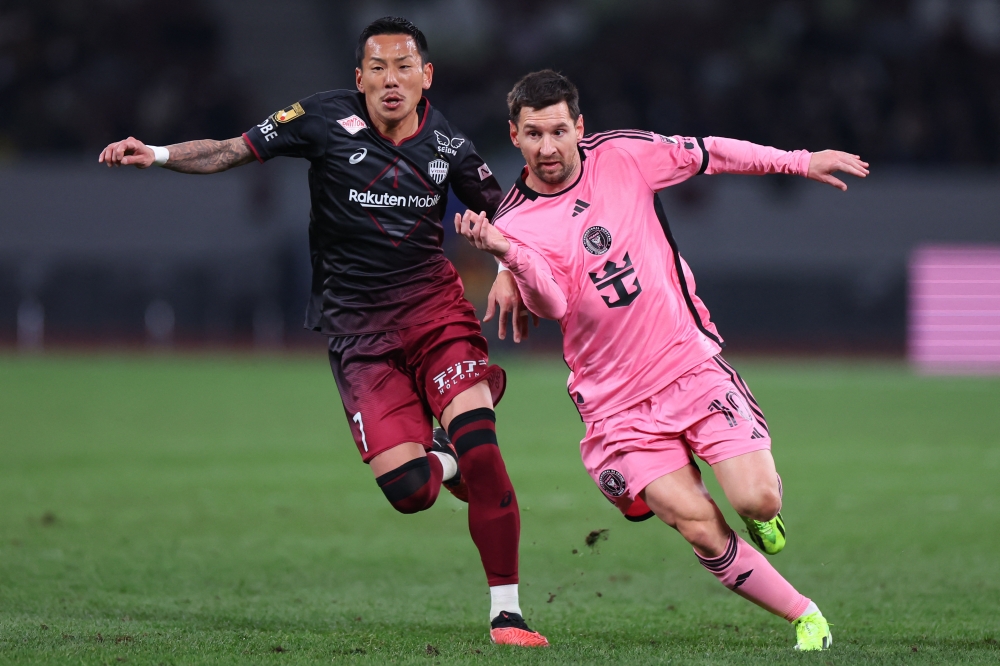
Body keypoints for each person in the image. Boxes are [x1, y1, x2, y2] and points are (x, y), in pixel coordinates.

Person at [98, 17, 548, 648]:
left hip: (436, 314)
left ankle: (508, 614)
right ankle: (443, 457)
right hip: (358, 335)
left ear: (426, 76)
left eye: (404, 67)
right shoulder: (320, 118)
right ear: (359, 77)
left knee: (483, 448)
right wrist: (159, 153)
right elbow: (231, 149)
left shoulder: (449, 145)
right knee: (410, 492)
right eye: (378, 68)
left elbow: (507, 215)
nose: (391, 80)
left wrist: (506, 270)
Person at [460, 69, 870, 651]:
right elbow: (553, 304)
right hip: (615, 404)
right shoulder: (513, 222)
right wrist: (509, 256)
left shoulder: (624, 155)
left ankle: (763, 511)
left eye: (558, 131)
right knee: (697, 524)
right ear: (514, 135)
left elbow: (712, 153)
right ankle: (806, 615)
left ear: (579, 127)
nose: (547, 148)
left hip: (687, 365)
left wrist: (799, 161)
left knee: (756, 499)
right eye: (533, 134)